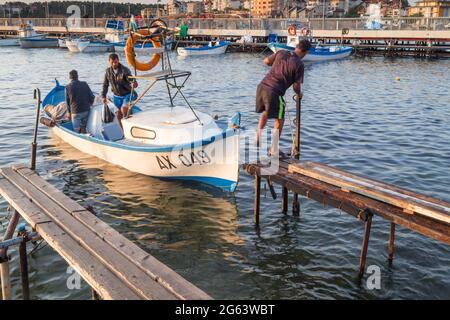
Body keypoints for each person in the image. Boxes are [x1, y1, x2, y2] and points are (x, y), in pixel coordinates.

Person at [255, 40, 311, 155]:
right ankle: (273, 149)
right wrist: (299, 94)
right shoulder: (299, 64)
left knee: (265, 112)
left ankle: (257, 137)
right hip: (274, 91)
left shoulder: (281, 53)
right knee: (279, 119)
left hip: (262, 86)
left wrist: (276, 64)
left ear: (296, 46)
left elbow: (265, 61)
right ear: (305, 52)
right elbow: (296, 86)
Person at [101, 53, 138, 129]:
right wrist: (103, 96)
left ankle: (129, 126)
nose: (114, 64)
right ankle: (124, 132)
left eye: (116, 62)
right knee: (118, 115)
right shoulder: (108, 71)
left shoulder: (125, 70)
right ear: (109, 62)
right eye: (112, 62)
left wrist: (134, 83)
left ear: (118, 61)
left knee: (124, 109)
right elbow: (105, 85)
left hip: (127, 94)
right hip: (116, 96)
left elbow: (131, 80)